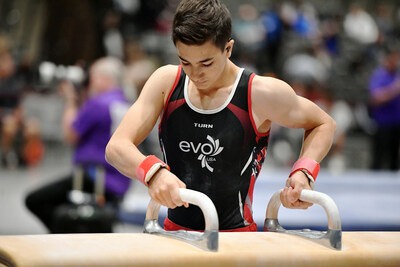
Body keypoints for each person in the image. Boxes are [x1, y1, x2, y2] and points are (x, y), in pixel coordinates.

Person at [106, 0, 336, 231]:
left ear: (228, 49)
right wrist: (153, 173)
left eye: (206, 63)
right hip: (175, 239)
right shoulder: (166, 83)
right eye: (185, 62)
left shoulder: (259, 93)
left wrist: (304, 172)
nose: (195, 74)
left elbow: (323, 123)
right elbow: (116, 147)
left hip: (236, 240)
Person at [25, 57, 131, 233]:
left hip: (92, 177)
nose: (89, 81)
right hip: (118, 177)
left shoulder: (98, 104)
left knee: (34, 200)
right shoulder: (122, 102)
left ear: (104, 78)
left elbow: (70, 134)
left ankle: (63, 237)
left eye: (93, 76)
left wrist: (70, 100)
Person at [368, 45, 400, 170]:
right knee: (378, 158)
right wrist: (394, 89)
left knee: (394, 160)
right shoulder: (379, 75)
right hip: (382, 125)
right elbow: (375, 98)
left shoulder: (397, 75)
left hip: (396, 124)